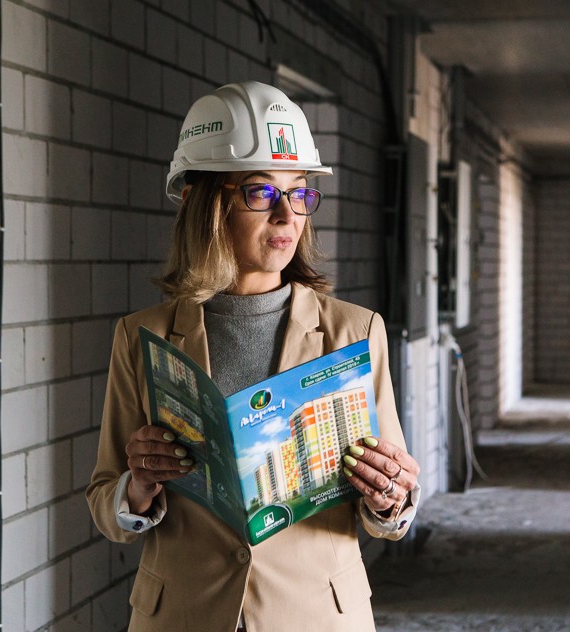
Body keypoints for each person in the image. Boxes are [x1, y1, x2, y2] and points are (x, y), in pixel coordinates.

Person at [85, 81, 421, 632]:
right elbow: (107, 503)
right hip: (185, 616)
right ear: (203, 203)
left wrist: (390, 495)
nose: (288, 215)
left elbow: (388, 510)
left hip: (314, 616)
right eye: (261, 192)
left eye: (300, 192)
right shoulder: (142, 336)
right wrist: (137, 487)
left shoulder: (355, 332)